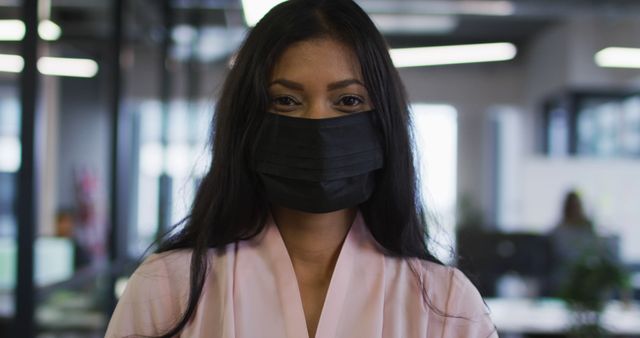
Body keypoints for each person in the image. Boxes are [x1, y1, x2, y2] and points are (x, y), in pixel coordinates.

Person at [105, 1, 497, 337]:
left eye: (347, 100)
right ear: (248, 121)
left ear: (384, 124)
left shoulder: (447, 305)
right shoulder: (167, 288)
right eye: (287, 101)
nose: (317, 125)